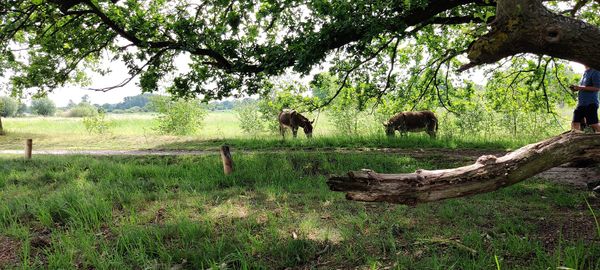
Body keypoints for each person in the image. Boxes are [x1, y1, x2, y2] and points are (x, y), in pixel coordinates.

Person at [570, 65, 600, 133]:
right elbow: (584, 87)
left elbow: (597, 88)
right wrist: (576, 89)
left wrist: (580, 88)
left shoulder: (595, 71)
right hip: (581, 104)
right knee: (575, 122)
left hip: (591, 103)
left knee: (593, 124)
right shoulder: (585, 72)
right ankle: (576, 140)